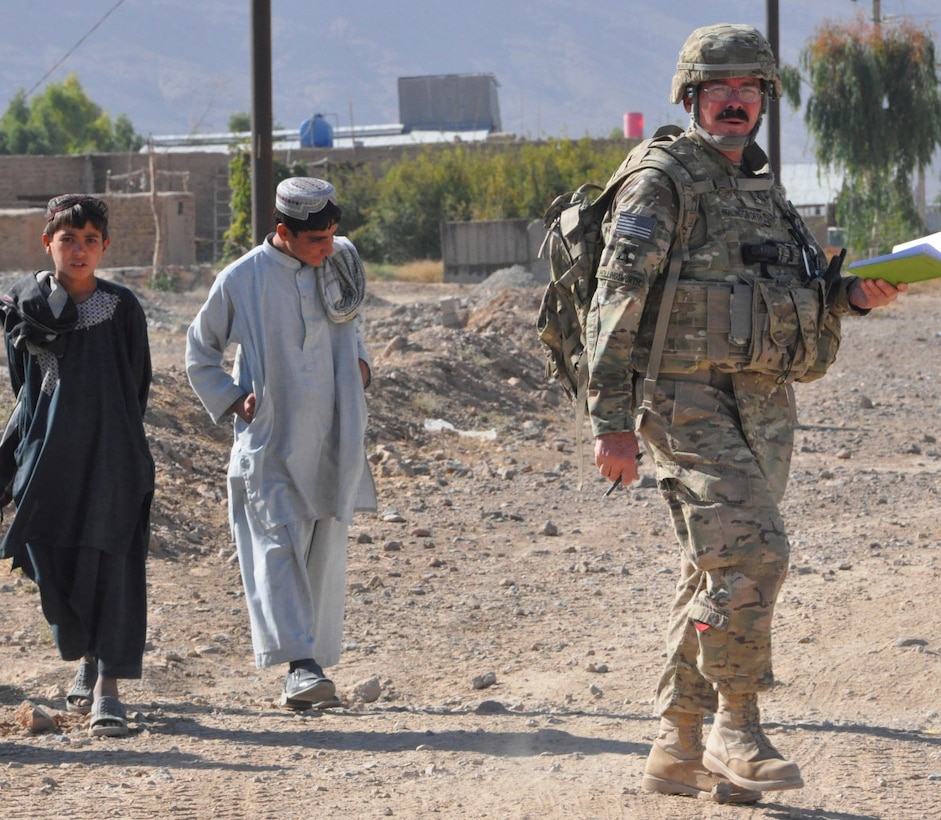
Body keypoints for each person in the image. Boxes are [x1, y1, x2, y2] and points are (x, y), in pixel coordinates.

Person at [586, 24, 906, 803]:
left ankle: (677, 744)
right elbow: (615, 299)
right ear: (690, 96)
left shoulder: (757, 183)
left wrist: (848, 296)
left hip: (762, 401)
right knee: (756, 555)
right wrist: (610, 421)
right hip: (683, 398)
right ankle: (737, 725)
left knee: (717, 567)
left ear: (763, 99)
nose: (734, 102)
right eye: (718, 88)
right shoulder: (662, 179)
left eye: (749, 89)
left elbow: (781, 286)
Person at [186, 177, 376, 710]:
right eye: (316, 239)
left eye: (334, 235)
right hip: (271, 438)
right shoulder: (241, 279)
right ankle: (300, 666)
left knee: (320, 548)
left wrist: (362, 365)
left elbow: (352, 320)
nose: (328, 248)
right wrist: (231, 398)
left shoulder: (341, 259)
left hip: (334, 428)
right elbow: (199, 352)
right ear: (283, 233)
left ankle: (310, 659)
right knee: (274, 546)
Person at [0, 194, 155, 738]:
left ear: (105, 246)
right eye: (69, 239)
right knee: (56, 567)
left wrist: (113, 440)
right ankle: (86, 653)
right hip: (47, 462)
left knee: (111, 565)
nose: (80, 249)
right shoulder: (22, 310)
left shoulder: (123, 308)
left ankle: (108, 689)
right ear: (48, 244)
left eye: (92, 240)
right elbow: (25, 390)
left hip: (112, 461)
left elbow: (137, 385)